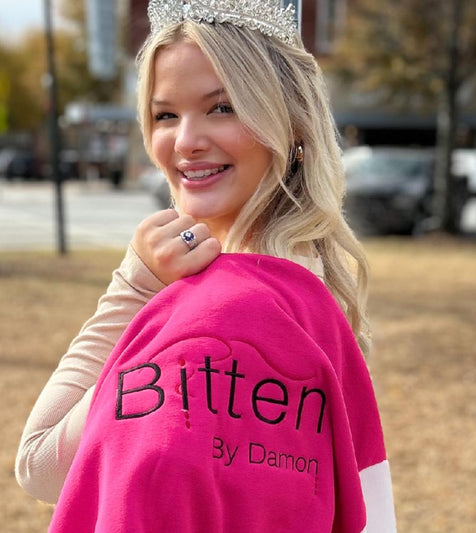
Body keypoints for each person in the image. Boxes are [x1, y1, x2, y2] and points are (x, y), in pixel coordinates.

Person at [16, 1, 396, 531]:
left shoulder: (222, 311)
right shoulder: (312, 290)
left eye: (222, 107)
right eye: (165, 114)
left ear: (288, 124)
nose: (186, 141)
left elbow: (40, 464)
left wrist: (135, 284)